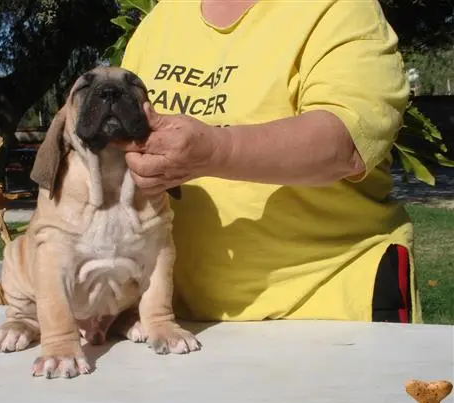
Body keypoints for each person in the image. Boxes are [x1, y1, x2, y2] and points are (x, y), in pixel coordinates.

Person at [118, 0, 420, 324]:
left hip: (327, 311)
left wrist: (215, 151)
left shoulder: (342, 9)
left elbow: (344, 144)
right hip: (181, 321)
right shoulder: (164, 18)